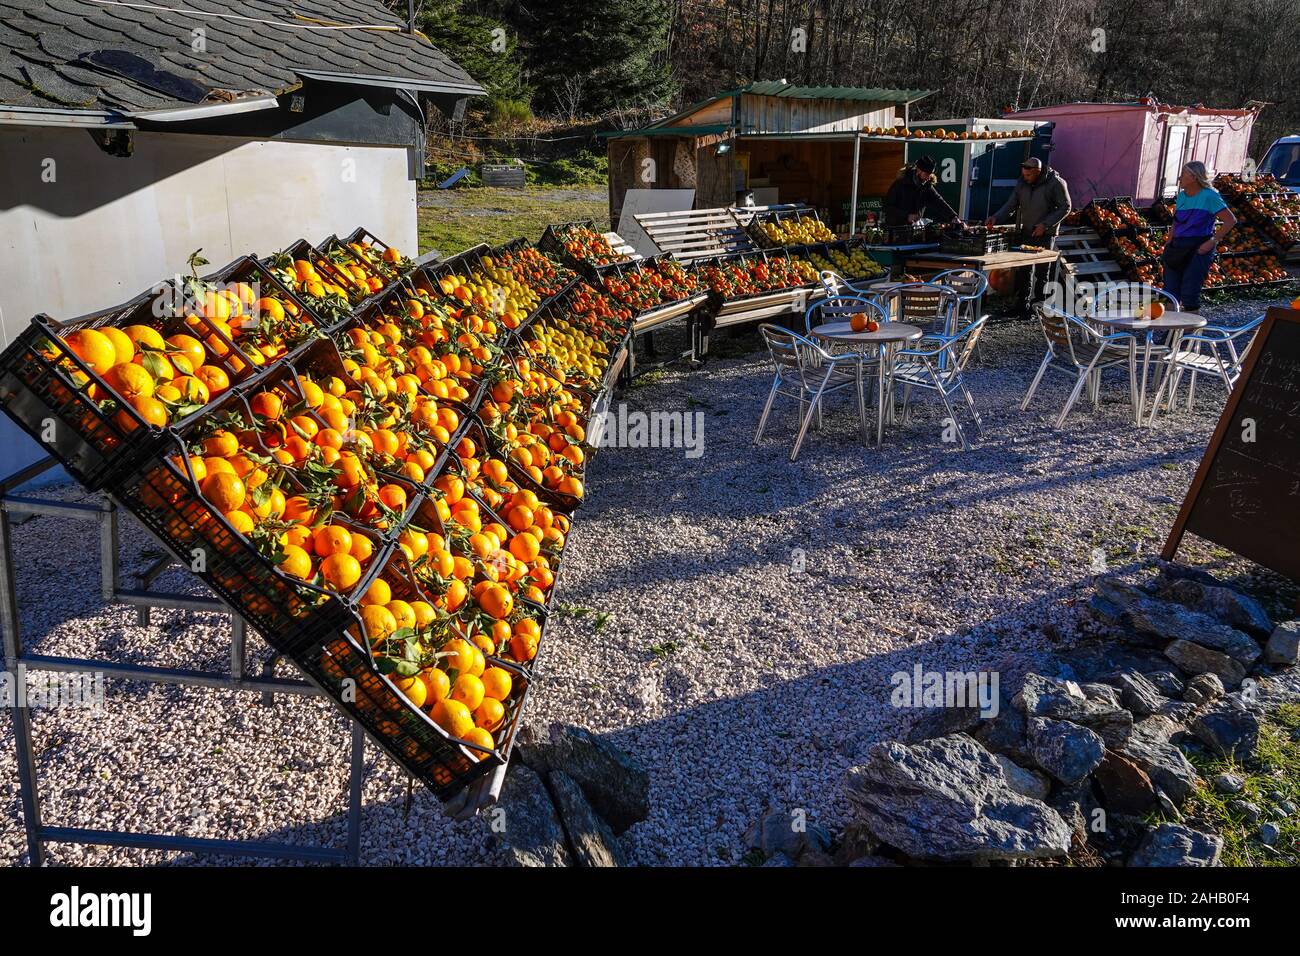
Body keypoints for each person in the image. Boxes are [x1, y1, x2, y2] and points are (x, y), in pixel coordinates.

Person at [1161, 161, 1235, 312]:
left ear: (1194, 177)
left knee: (1189, 293)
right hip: (1177, 246)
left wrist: (1212, 242)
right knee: (1170, 293)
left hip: (1198, 248)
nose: (1179, 177)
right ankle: (1170, 333)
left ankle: (1189, 333)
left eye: (1183, 174)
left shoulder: (1210, 196)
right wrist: (1168, 245)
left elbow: (1230, 220)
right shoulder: (1181, 196)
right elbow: (1176, 223)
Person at [985, 157, 1071, 243]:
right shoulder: (1022, 182)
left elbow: (1065, 207)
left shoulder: (1056, 183)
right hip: (1027, 232)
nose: (1025, 178)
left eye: (1028, 175)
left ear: (1038, 171)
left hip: (1045, 234)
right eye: (1024, 174)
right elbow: (1011, 204)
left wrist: (1045, 225)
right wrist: (996, 217)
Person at [883, 155, 960, 229]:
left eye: (930, 174)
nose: (928, 177)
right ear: (918, 171)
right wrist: (907, 216)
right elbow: (887, 208)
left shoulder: (927, 186)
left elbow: (939, 202)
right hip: (896, 229)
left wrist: (953, 217)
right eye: (926, 174)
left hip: (915, 229)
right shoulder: (900, 184)